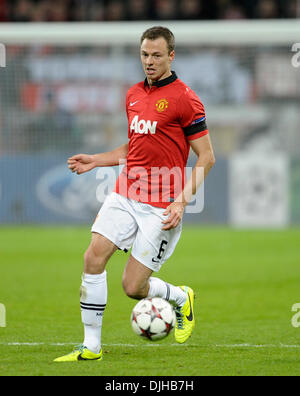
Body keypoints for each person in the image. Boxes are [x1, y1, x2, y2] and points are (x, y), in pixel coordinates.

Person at [54, 26, 215, 362]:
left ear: (171, 56)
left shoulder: (186, 98)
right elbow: (137, 145)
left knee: (133, 287)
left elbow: (207, 156)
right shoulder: (133, 95)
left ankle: (180, 296)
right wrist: (96, 159)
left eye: (157, 55)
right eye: (144, 54)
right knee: (92, 257)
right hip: (125, 193)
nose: (149, 61)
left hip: (161, 206)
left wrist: (181, 201)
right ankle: (91, 347)